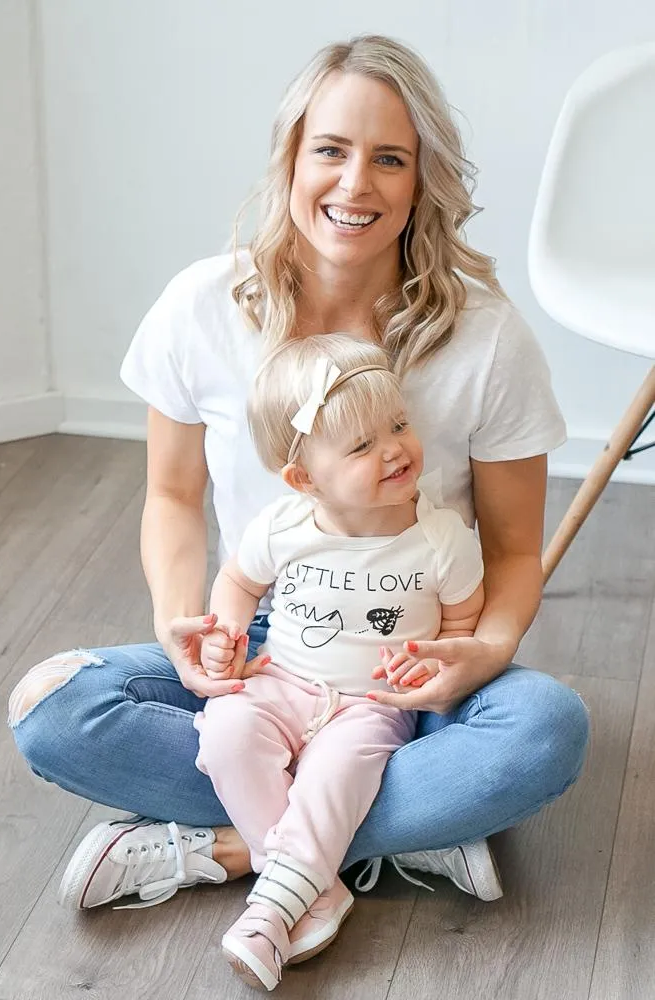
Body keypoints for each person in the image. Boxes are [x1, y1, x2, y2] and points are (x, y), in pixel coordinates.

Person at [8, 33, 588, 932]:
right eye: (331, 149)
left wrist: (484, 652)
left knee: (547, 728)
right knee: (52, 709)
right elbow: (171, 496)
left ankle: (231, 849)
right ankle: (387, 832)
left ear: (421, 179)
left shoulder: (486, 338)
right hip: (268, 650)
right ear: (291, 158)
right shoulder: (200, 308)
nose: (356, 185)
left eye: (388, 158)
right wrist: (182, 621)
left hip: (411, 663)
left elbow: (513, 551)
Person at [194, 333, 486, 990]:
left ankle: (271, 909)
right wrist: (227, 634)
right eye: (361, 446)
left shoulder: (439, 539)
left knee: (333, 772)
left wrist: (438, 666)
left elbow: (464, 620)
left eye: (399, 425)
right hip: (281, 681)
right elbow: (238, 584)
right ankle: (319, 889)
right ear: (304, 478)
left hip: (370, 703)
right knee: (225, 729)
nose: (394, 448)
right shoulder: (282, 525)